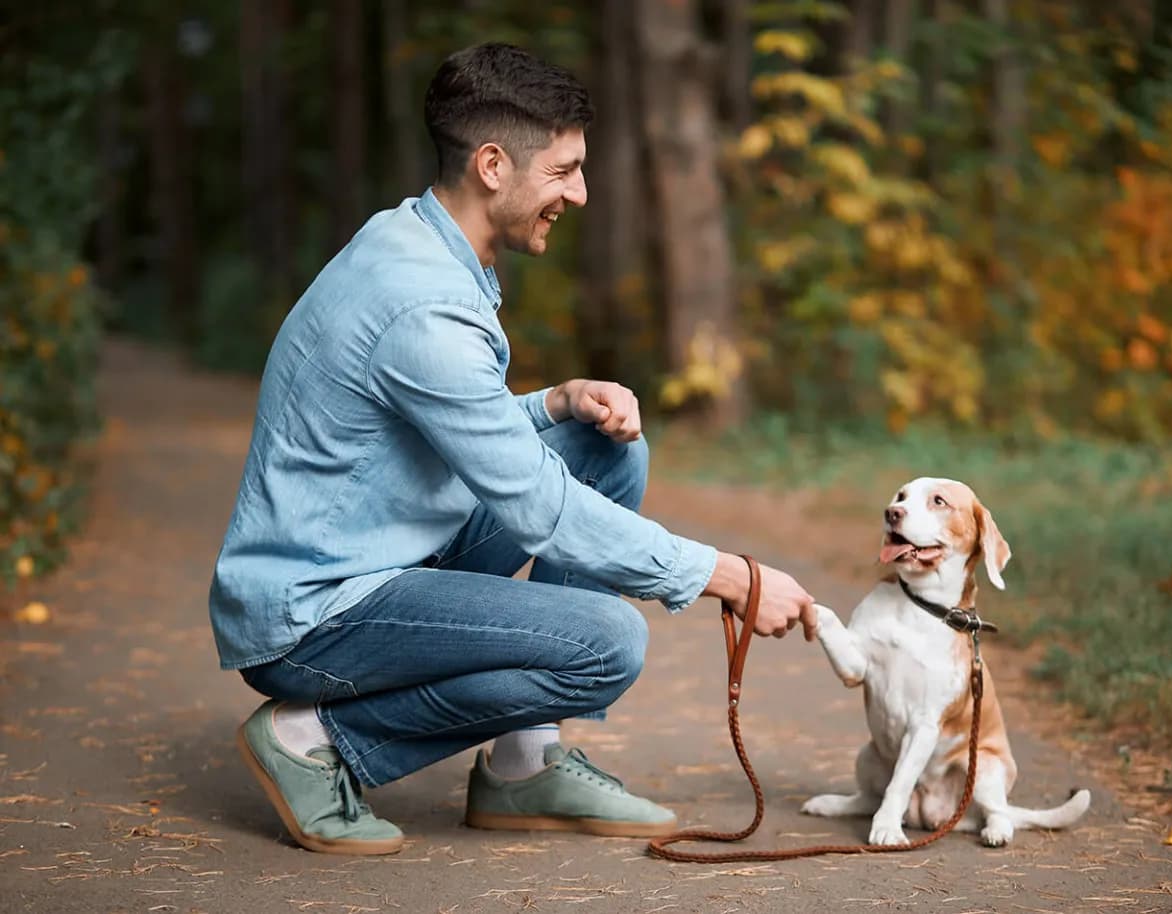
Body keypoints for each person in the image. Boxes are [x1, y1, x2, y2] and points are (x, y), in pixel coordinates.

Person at [209, 41, 818, 857]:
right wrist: (728, 577)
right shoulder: (421, 303)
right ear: (493, 164)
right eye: (564, 170)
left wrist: (554, 403)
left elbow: (446, 432)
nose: (582, 192)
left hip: (381, 555)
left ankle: (525, 764)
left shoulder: (415, 240)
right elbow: (540, 510)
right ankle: (315, 737)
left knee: (602, 452)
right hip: (315, 615)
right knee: (607, 642)